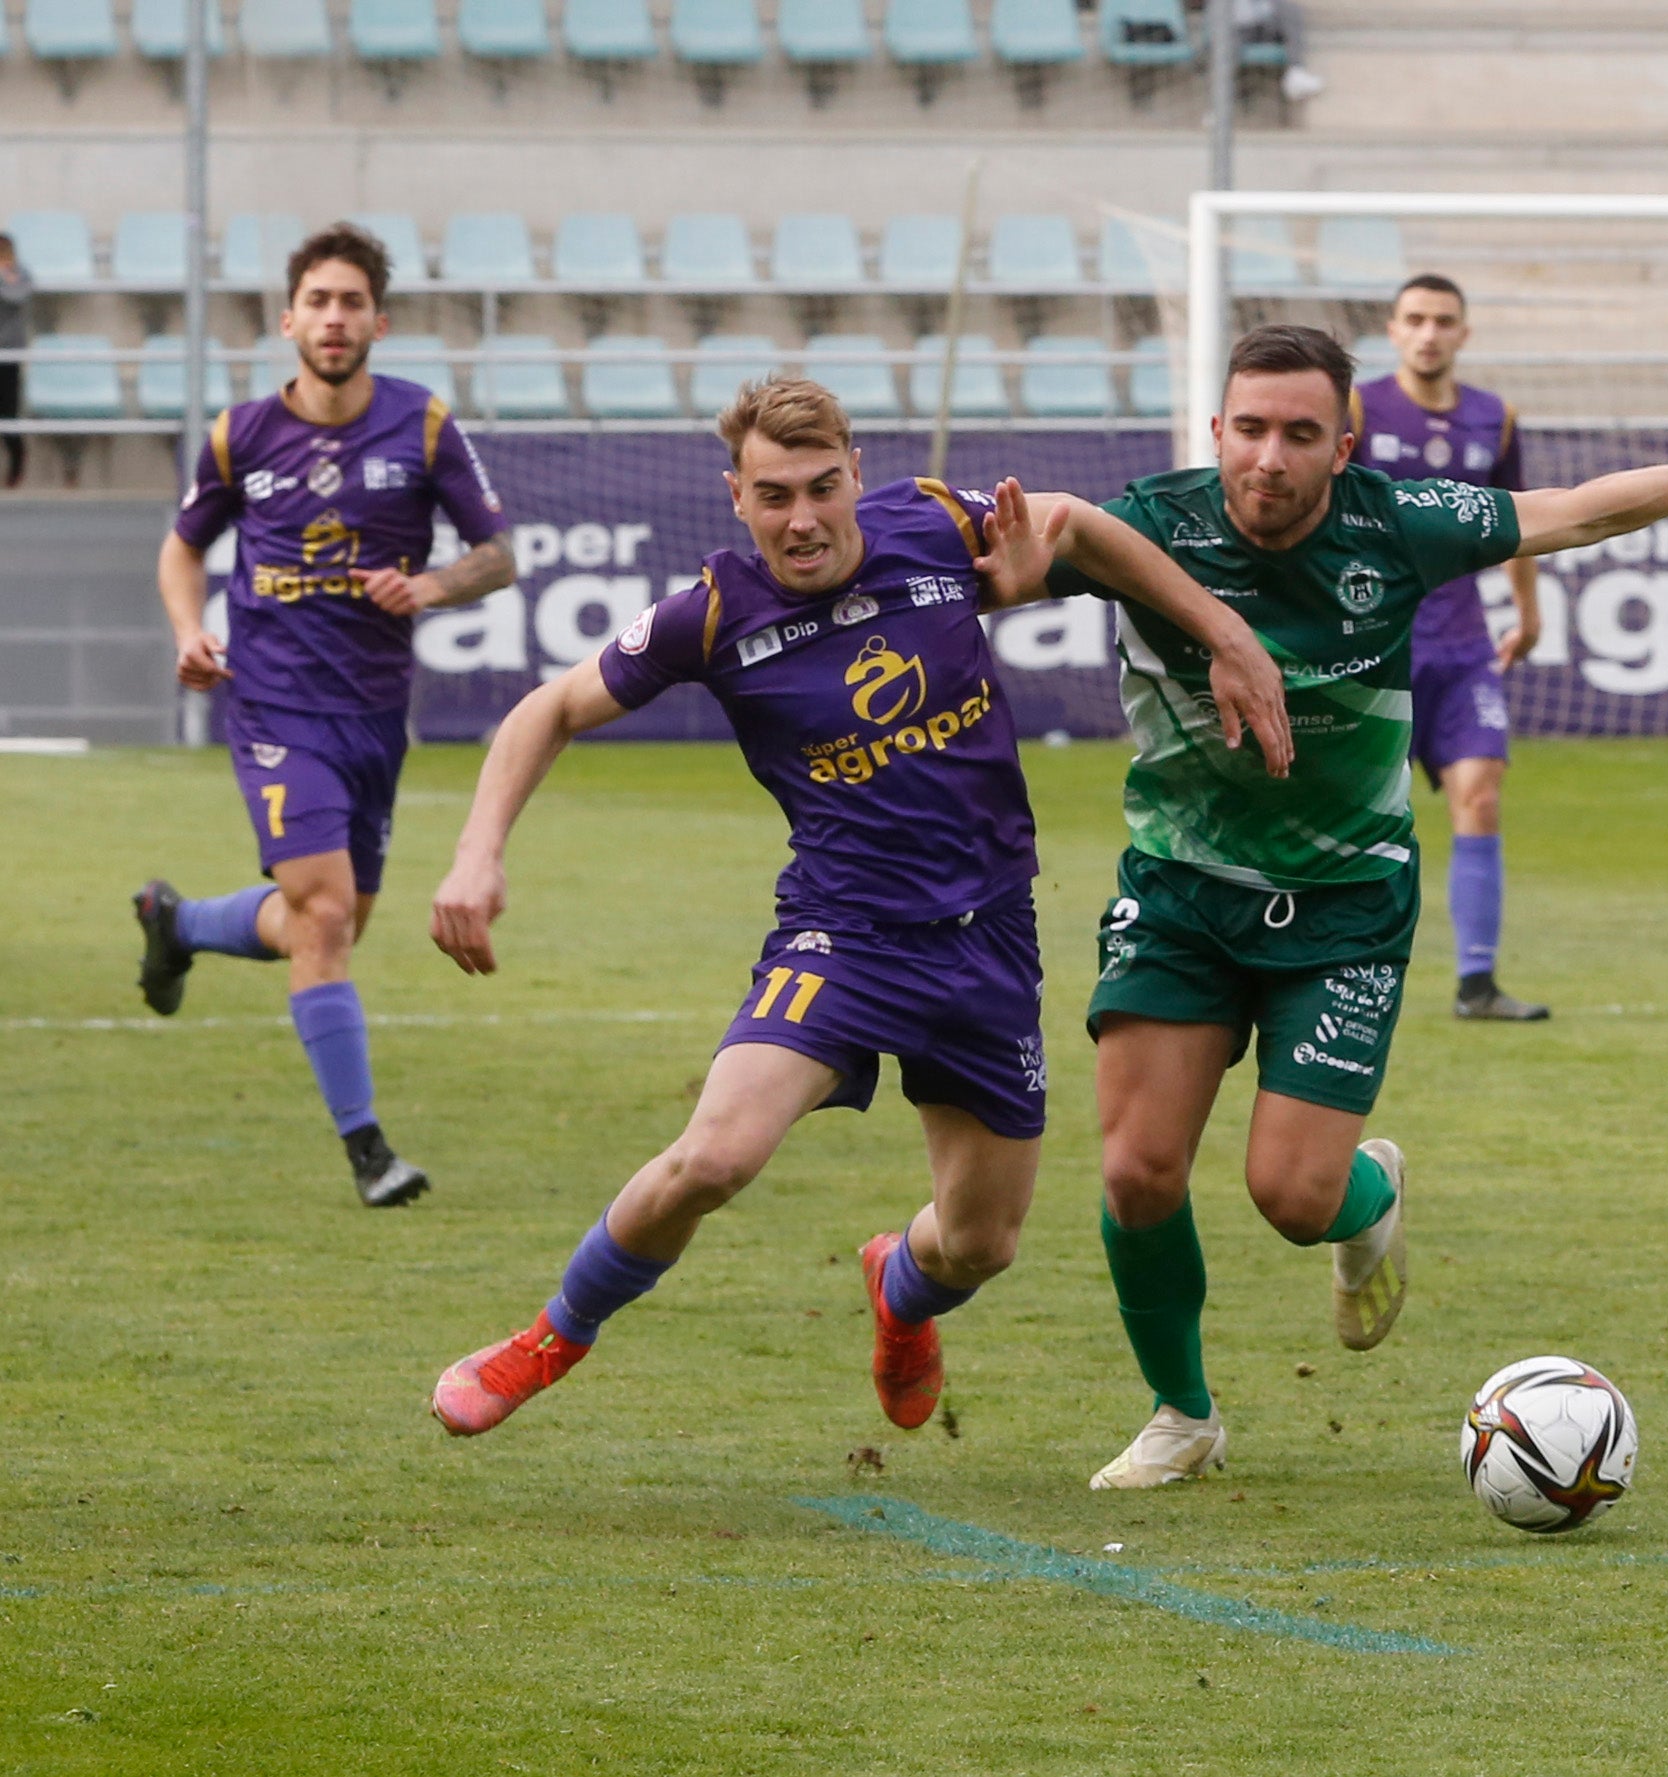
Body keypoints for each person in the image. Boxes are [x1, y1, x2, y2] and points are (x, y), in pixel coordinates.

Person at [1046, 323, 1668, 1488]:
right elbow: (999, 553)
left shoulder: (1396, 522)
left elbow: (1573, 510)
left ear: (1344, 441)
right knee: (1136, 1171)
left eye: (1300, 434)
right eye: (1249, 429)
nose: (1269, 457)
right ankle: (1183, 1413)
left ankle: (1370, 1194)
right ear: (1215, 431)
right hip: (1181, 890)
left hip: (1346, 902)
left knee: (1291, 1194)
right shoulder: (1148, 526)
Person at [424, 375, 1292, 1441]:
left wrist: (1226, 638)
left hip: (989, 940)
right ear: (735, 498)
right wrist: (476, 855)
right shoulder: (710, 616)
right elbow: (547, 707)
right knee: (716, 1156)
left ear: (856, 475)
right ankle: (550, 1337)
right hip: (845, 936)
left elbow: (1073, 524)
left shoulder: (931, 528)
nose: (802, 520)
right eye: (774, 495)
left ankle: (899, 1291)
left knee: (979, 1244)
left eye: (821, 487)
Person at [133, 221, 517, 1206]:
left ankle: (176, 922)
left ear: (377, 321)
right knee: (327, 912)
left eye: (352, 302)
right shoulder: (241, 435)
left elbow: (498, 554)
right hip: (271, 703)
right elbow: (183, 547)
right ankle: (368, 1152)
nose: (334, 318)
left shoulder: (423, 425)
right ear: (287, 319)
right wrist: (189, 629)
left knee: (326, 926)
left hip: (374, 714)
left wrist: (427, 588)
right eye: (319, 301)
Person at [1352, 273, 1546, 1020]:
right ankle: (1349, 965)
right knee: (1367, 814)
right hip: (1374, 643)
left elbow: (1521, 520)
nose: (1429, 332)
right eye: (1415, 319)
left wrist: (1527, 614)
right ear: (1393, 330)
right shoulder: (1359, 408)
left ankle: (1476, 983)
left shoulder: (1494, 419)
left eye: (1443, 320)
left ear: (1464, 333)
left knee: (1481, 793)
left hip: (1464, 645)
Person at [0, 233, 32, 490]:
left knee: (8, 412)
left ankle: (16, 461)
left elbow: (17, 295)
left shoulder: (20, 274)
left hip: (8, 353)